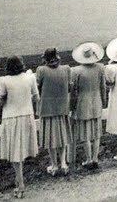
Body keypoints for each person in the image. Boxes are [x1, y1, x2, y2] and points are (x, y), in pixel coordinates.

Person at [0, 56, 39, 198]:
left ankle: (20, 184)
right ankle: (18, 181)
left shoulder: (4, 80)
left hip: (11, 117)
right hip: (26, 115)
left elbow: (0, 102)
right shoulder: (30, 77)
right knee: (20, 151)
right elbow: (36, 97)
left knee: (15, 152)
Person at [36, 48, 72, 176]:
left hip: (47, 109)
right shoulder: (66, 69)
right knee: (62, 137)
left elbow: (36, 87)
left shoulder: (41, 70)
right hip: (62, 108)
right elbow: (69, 87)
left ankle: (54, 165)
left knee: (50, 138)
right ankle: (63, 163)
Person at [70, 42, 106, 169]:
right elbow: (103, 87)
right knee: (96, 133)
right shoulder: (100, 67)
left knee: (85, 134)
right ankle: (95, 158)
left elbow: (73, 92)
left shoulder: (76, 71)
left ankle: (89, 159)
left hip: (82, 104)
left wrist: (72, 106)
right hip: (96, 103)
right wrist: (104, 102)